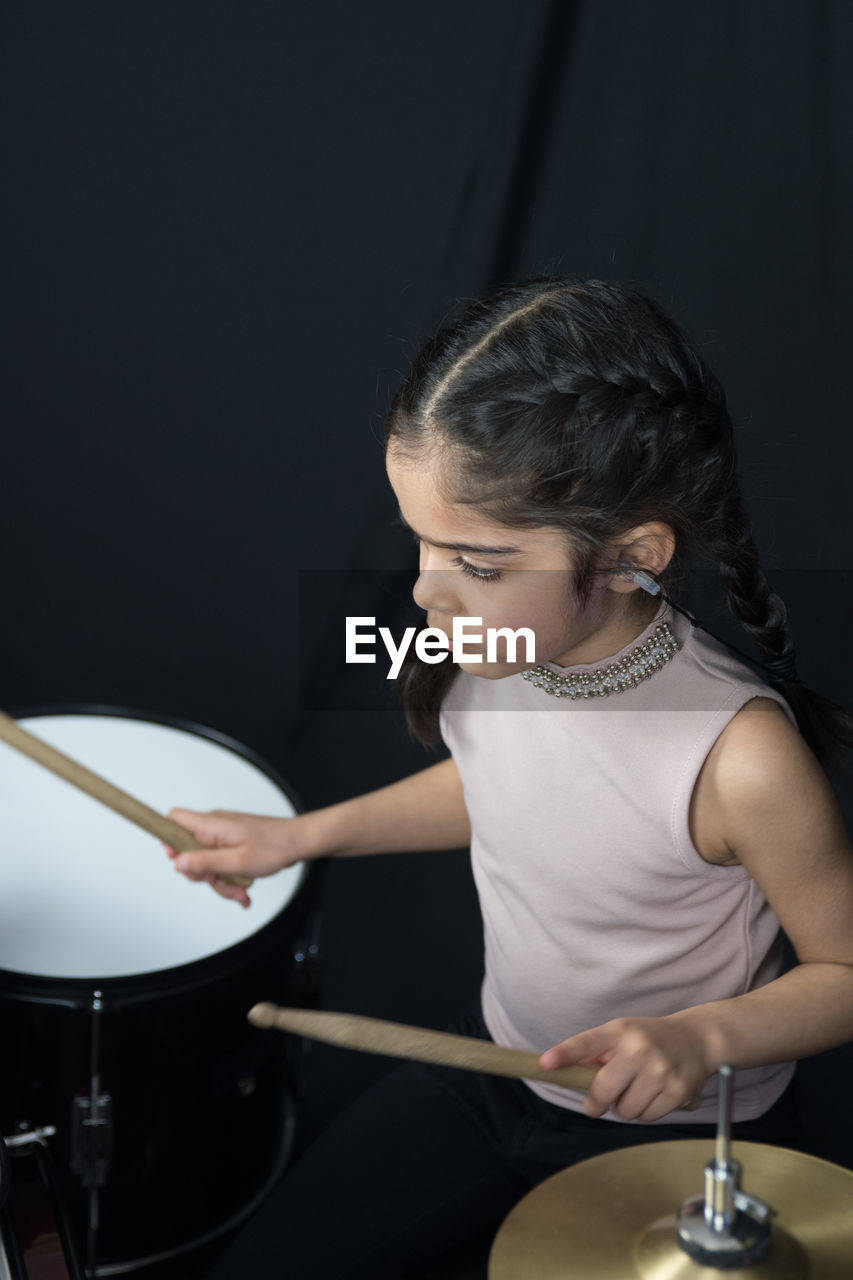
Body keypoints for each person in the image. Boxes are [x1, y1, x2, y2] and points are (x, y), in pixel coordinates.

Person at [168, 279, 853, 1279]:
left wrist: (700, 1034)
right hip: (496, 1066)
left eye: (476, 561)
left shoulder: (738, 757)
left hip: (675, 1128)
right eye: (420, 538)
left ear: (630, 557)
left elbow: (843, 973)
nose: (424, 588)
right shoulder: (500, 646)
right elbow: (496, 784)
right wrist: (300, 835)